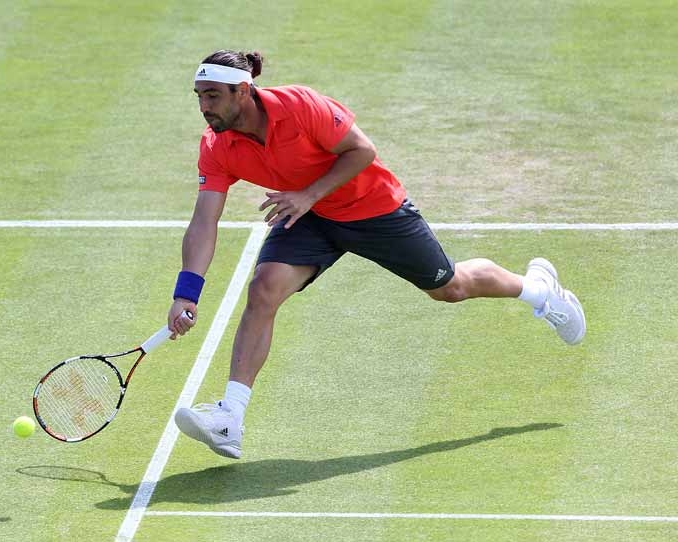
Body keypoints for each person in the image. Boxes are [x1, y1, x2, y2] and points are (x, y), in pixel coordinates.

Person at [166, 50, 585, 460]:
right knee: (264, 289)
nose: (204, 106)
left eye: (212, 96)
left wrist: (309, 195)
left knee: (450, 288)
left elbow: (362, 150)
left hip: (372, 209)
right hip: (310, 217)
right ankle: (230, 417)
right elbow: (204, 220)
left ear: (242, 91)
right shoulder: (216, 144)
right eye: (199, 96)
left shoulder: (301, 106)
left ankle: (539, 291)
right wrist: (187, 292)